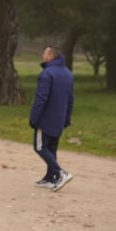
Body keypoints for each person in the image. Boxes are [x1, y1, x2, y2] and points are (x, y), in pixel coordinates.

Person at [29, 46, 74, 192]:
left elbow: (41, 98)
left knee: (40, 146)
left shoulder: (47, 74)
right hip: (59, 119)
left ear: (50, 56)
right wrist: (67, 118)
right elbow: (70, 99)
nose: (42, 55)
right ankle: (51, 177)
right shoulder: (68, 74)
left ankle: (61, 173)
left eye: (44, 53)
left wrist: (34, 118)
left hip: (46, 119)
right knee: (51, 149)